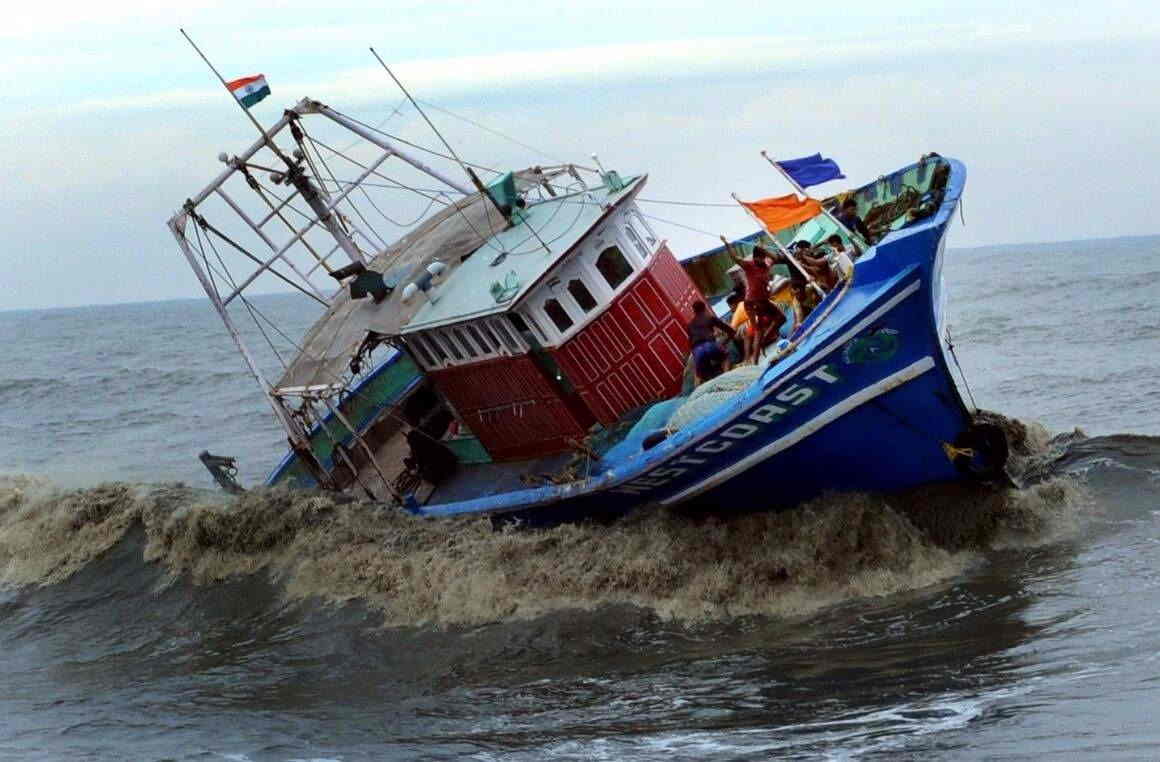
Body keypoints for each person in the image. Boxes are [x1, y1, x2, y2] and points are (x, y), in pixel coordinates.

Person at [721, 235, 785, 364]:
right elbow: (735, 257)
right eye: (759, 258)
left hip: (762, 301)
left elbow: (775, 258)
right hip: (752, 302)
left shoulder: (766, 264)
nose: (761, 260)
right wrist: (727, 244)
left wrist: (764, 249)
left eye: (763, 258)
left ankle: (761, 345)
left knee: (779, 319)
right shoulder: (750, 265)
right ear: (755, 258)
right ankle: (755, 359)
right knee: (758, 328)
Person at [687, 300, 736, 384]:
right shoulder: (709, 317)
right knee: (725, 357)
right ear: (704, 308)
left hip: (697, 350)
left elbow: (691, 343)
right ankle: (727, 380)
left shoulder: (690, 325)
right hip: (709, 345)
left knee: (699, 374)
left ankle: (697, 391)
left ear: (694, 311)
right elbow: (728, 329)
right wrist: (730, 337)